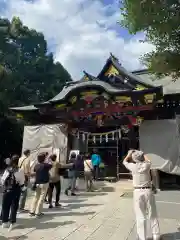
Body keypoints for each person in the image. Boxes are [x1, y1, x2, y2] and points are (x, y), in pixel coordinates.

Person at [123, 149, 160, 240]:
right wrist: (143, 153)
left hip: (138, 191)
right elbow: (148, 160)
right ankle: (156, 235)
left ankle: (142, 237)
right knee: (153, 213)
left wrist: (129, 154)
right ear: (142, 157)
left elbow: (124, 161)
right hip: (148, 191)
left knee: (140, 215)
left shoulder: (132, 166)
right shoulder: (146, 165)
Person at [1, 155, 25, 231]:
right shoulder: (20, 170)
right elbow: (22, 182)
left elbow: (2, 180)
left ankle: (4, 222)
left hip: (6, 190)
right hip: (15, 190)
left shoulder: (7, 169)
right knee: (14, 206)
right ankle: (12, 222)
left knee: (5, 206)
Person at [29, 152, 52, 217]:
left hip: (37, 183)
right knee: (41, 198)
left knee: (35, 197)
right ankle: (38, 212)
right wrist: (49, 159)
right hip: (44, 183)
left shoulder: (36, 165)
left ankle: (32, 211)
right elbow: (51, 164)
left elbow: (34, 171)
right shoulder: (45, 165)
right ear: (44, 158)